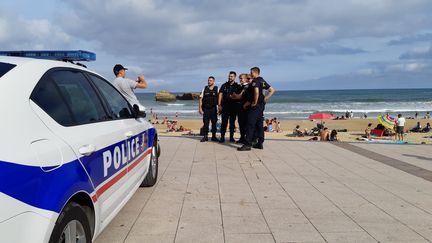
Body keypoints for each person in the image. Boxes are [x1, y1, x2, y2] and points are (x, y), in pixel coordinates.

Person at [238, 67, 274, 151]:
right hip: (261, 106)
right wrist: (265, 98)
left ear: (255, 72)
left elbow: (256, 92)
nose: (250, 74)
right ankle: (260, 143)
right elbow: (272, 90)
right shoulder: (262, 80)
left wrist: (254, 102)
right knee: (259, 125)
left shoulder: (255, 81)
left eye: (251, 73)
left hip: (255, 107)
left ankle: (247, 144)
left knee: (250, 124)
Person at [218, 71, 242, 143]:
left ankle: (231, 137)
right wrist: (219, 105)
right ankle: (222, 137)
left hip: (234, 107)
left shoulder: (237, 86)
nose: (230, 77)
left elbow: (240, 96)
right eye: (229, 76)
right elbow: (220, 95)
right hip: (225, 107)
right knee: (224, 123)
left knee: (232, 123)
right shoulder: (224, 85)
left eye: (231, 76)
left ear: (234, 77)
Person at [230, 73, 250, 144]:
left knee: (245, 124)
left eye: (242, 78)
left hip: (245, 108)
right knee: (240, 123)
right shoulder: (239, 86)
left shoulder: (247, 86)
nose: (240, 80)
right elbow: (232, 96)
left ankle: (246, 139)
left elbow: (239, 97)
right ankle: (242, 138)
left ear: (245, 79)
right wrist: (236, 96)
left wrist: (236, 96)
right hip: (238, 107)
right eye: (240, 78)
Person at [199, 76, 219, 142]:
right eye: (208, 80)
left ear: (213, 81)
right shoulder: (204, 88)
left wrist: (220, 108)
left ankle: (214, 136)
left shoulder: (217, 89)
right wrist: (200, 109)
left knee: (214, 123)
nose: (209, 81)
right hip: (206, 109)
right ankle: (205, 136)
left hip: (213, 109)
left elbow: (220, 99)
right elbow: (201, 99)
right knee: (206, 123)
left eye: (210, 80)